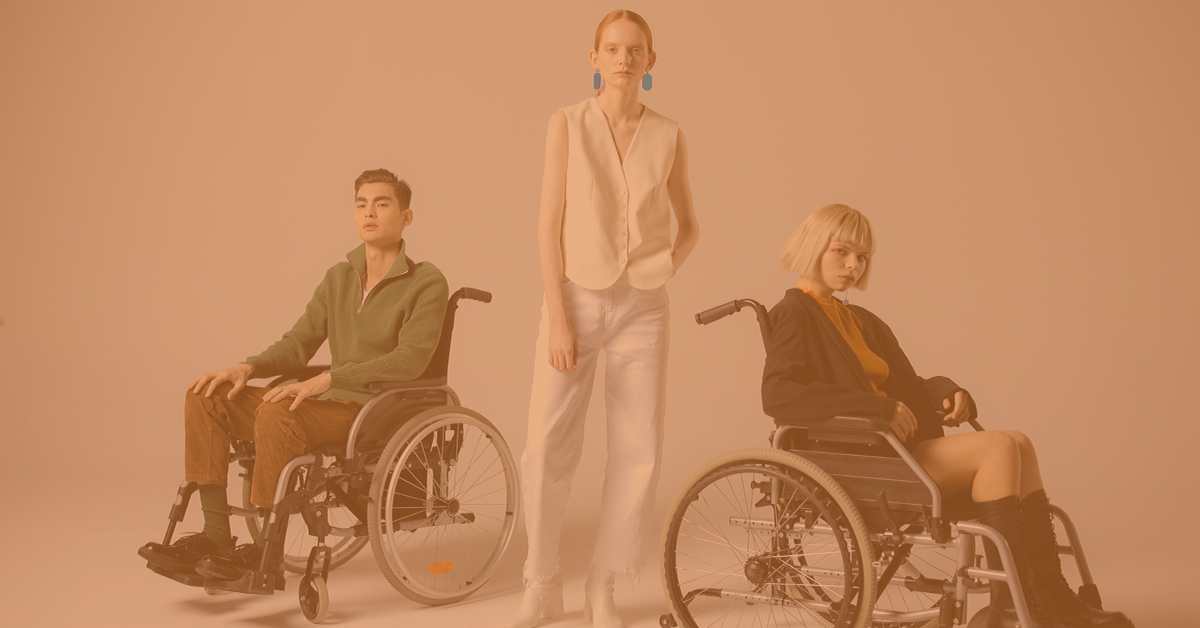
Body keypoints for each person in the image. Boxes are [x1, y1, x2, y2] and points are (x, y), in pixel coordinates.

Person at [761, 204, 1133, 628]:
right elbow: (779, 394)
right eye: (842, 251)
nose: (853, 265)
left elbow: (905, 383)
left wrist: (946, 391)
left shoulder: (859, 318)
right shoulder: (793, 312)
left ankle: (1047, 595)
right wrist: (877, 409)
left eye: (862, 257)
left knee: (1019, 441)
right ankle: (1011, 606)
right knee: (998, 447)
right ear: (814, 247)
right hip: (864, 463)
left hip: (896, 450)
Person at [138, 168, 448, 586]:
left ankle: (265, 552)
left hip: (370, 409)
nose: (369, 212)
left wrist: (330, 377)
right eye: (361, 204)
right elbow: (298, 342)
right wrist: (246, 368)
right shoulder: (339, 278)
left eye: (382, 203)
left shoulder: (426, 282)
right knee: (205, 395)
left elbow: (409, 361)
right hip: (320, 401)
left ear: (406, 217)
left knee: (278, 411)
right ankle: (215, 537)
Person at [504, 9, 700, 628]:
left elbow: (691, 225)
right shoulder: (566, 123)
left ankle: (603, 585)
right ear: (594, 59)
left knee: (638, 449)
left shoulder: (669, 134)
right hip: (576, 300)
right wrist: (558, 316)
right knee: (545, 447)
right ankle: (540, 581)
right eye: (611, 48)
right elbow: (546, 224)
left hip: (644, 308)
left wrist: (661, 270)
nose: (623, 58)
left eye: (635, 49)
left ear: (651, 61)